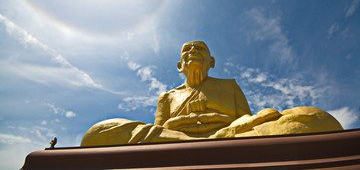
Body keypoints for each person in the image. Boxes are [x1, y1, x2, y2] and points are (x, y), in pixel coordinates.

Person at [81, 41, 343, 146]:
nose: (193, 51)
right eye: (187, 51)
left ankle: (210, 144)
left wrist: (226, 130)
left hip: (231, 139)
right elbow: (154, 132)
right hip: (174, 141)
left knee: (318, 119)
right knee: (97, 133)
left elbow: (249, 121)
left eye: (200, 50)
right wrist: (178, 131)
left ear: (211, 62)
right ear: (179, 65)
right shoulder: (167, 96)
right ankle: (189, 145)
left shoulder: (229, 86)